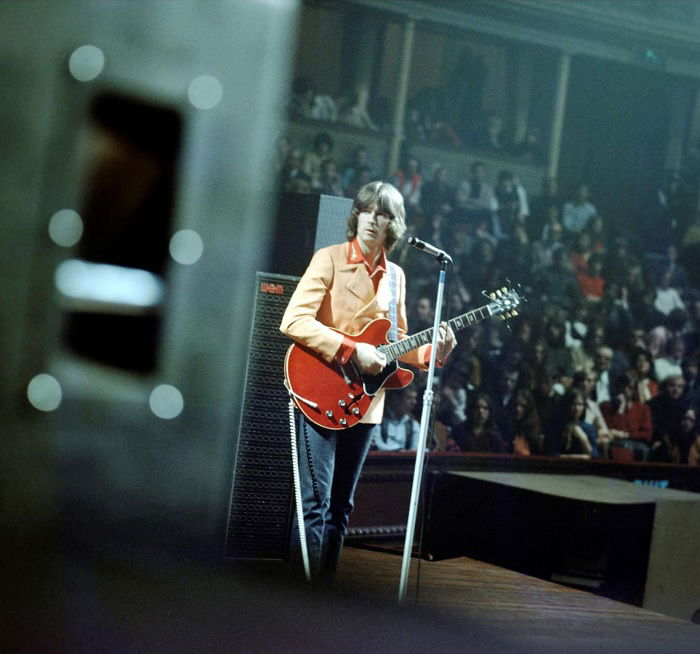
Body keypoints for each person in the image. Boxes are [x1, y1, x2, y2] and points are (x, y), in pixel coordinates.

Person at [279, 181, 455, 580]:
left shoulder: (396, 276)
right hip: (318, 390)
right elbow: (293, 320)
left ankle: (324, 595)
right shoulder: (330, 259)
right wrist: (350, 350)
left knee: (342, 507)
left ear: (394, 225)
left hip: (364, 403)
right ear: (356, 215)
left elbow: (397, 345)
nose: (374, 220)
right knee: (315, 504)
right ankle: (295, 602)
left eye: (384, 214)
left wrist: (433, 351)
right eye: (367, 210)